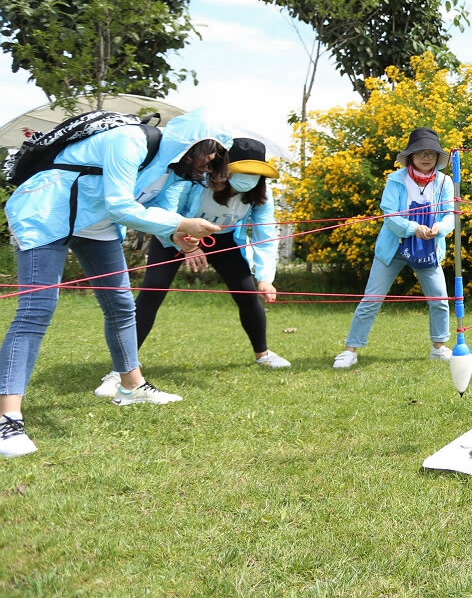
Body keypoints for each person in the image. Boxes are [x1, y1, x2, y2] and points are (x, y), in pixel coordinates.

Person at [1, 109, 230, 458]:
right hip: (47, 211)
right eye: (211, 151)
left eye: (218, 155)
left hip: (96, 224)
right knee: (36, 310)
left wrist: (176, 233)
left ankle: (131, 386)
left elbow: (163, 211)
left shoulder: (176, 169)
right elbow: (121, 206)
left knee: (121, 305)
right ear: (193, 141)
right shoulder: (129, 140)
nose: (211, 160)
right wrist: (182, 223)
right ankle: (7, 418)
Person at [93, 138, 289, 396]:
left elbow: (265, 235)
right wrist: (186, 243)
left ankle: (262, 354)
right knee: (152, 292)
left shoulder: (260, 195)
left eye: (255, 173)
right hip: (175, 235)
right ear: (225, 167)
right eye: (243, 171)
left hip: (222, 239)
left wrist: (265, 278)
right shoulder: (195, 180)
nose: (248, 178)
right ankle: (122, 370)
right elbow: (166, 211)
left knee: (247, 292)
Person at [333, 127, 455, 369]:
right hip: (392, 248)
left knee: (440, 299)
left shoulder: (445, 182)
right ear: (410, 155)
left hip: (428, 249)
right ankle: (350, 350)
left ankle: (439, 347)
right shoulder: (395, 179)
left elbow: (450, 215)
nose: (426, 157)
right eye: (421, 152)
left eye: (431, 153)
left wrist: (439, 228)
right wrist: (413, 228)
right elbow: (389, 216)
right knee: (372, 298)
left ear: (437, 157)